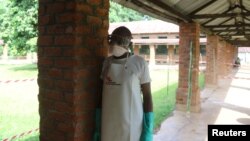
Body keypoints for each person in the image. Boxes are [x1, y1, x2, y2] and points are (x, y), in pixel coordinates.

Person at [93, 26, 154, 141]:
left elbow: (147, 95)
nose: (115, 43)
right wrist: (98, 119)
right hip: (108, 122)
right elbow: (101, 92)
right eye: (114, 40)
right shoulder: (106, 63)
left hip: (132, 123)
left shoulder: (139, 63)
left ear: (129, 44)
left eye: (121, 41)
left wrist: (148, 125)